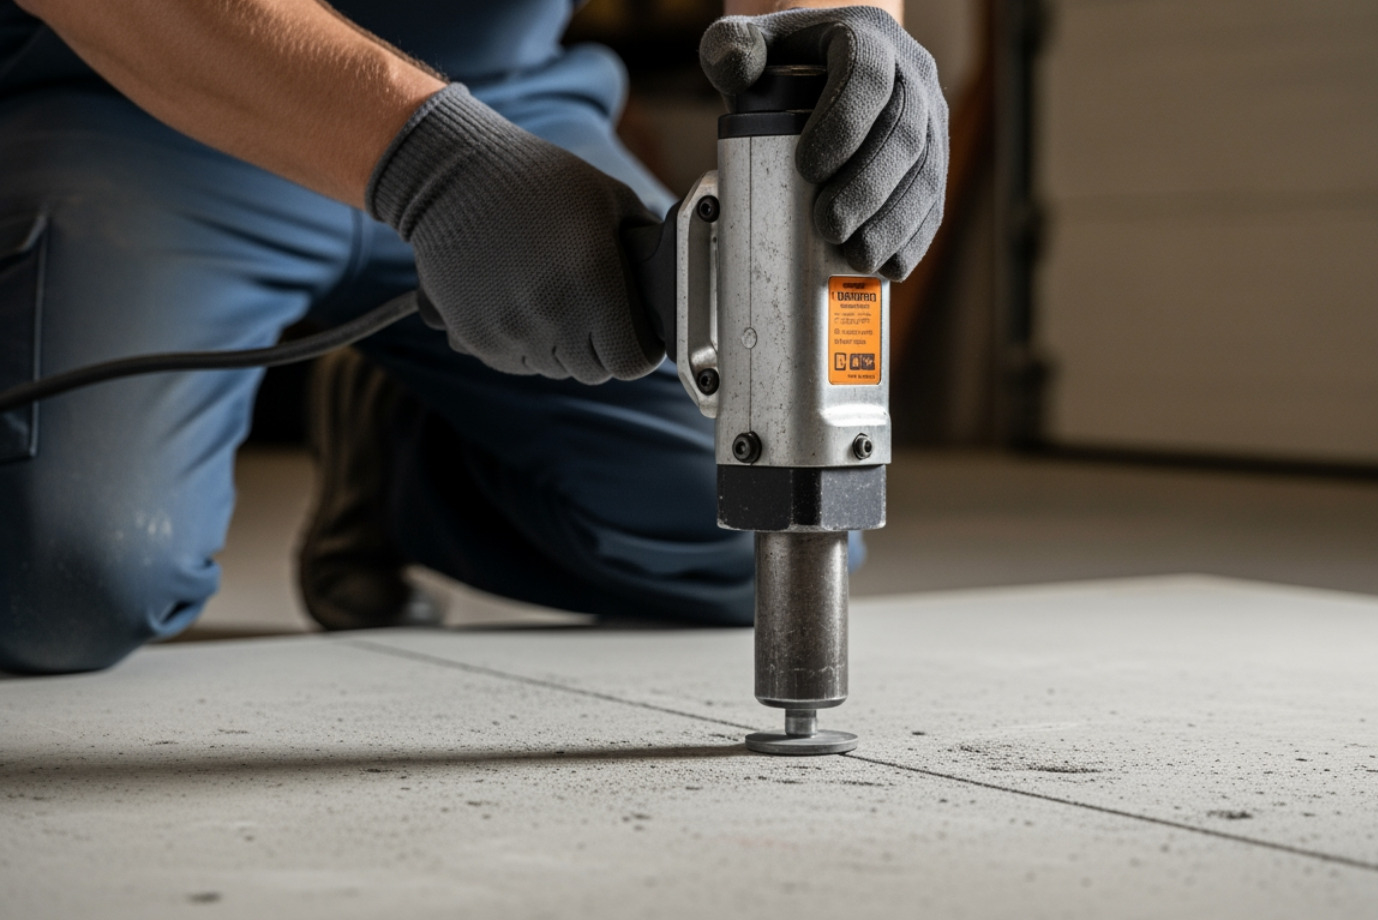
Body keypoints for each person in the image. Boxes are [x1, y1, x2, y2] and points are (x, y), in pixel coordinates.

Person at [0, 0, 948, 674]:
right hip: (159, 91)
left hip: (508, 104)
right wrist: (430, 162)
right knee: (65, 584)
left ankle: (401, 438)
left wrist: (843, 55)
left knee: (746, 517)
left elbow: (796, 33)